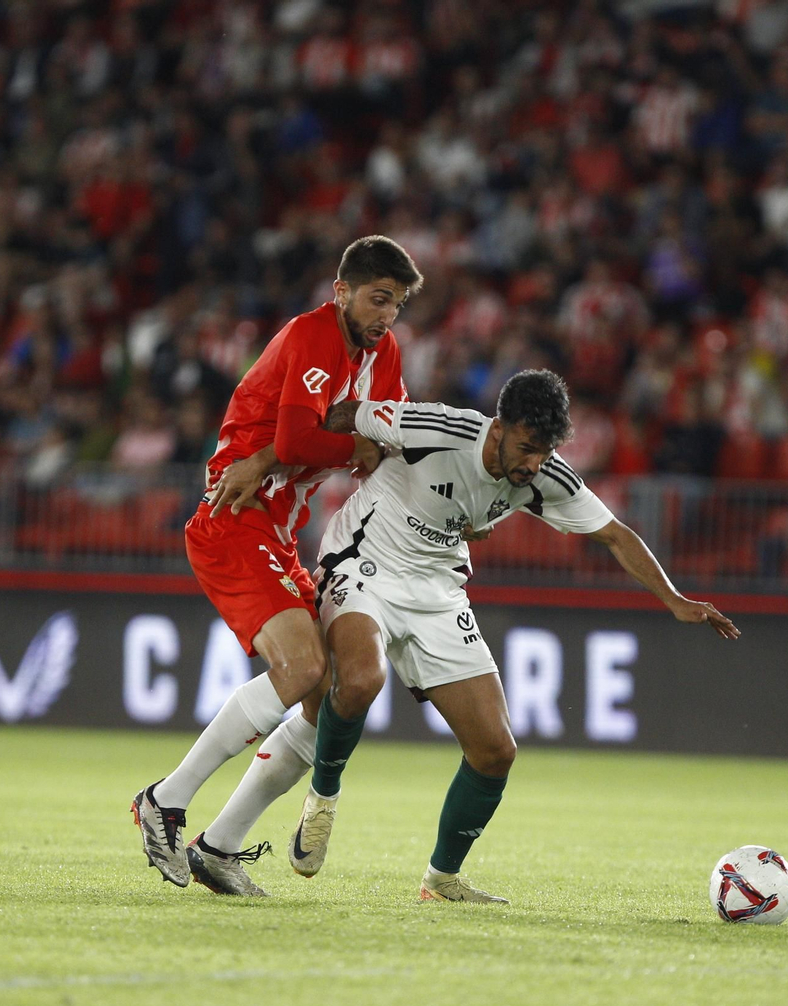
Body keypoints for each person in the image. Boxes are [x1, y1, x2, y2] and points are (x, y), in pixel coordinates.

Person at [190, 370, 739, 899]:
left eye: (544, 452)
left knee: (496, 750)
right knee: (359, 680)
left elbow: (615, 536)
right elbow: (337, 416)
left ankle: (442, 879)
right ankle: (323, 797)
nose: (533, 464)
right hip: (364, 562)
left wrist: (677, 602)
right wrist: (289, 457)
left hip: (438, 593)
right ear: (497, 428)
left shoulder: (545, 476)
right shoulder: (433, 427)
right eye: (525, 447)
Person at [131, 236, 423, 890]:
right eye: (378, 299)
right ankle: (165, 801)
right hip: (236, 516)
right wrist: (337, 447)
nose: (387, 316)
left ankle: (220, 845)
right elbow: (301, 438)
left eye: (397, 304)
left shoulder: (385, 353)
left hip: (279, 526)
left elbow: (386, 432)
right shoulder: (314, 334)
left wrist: (343, 447)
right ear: (341, 291)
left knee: (331, 697)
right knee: (304, 667)